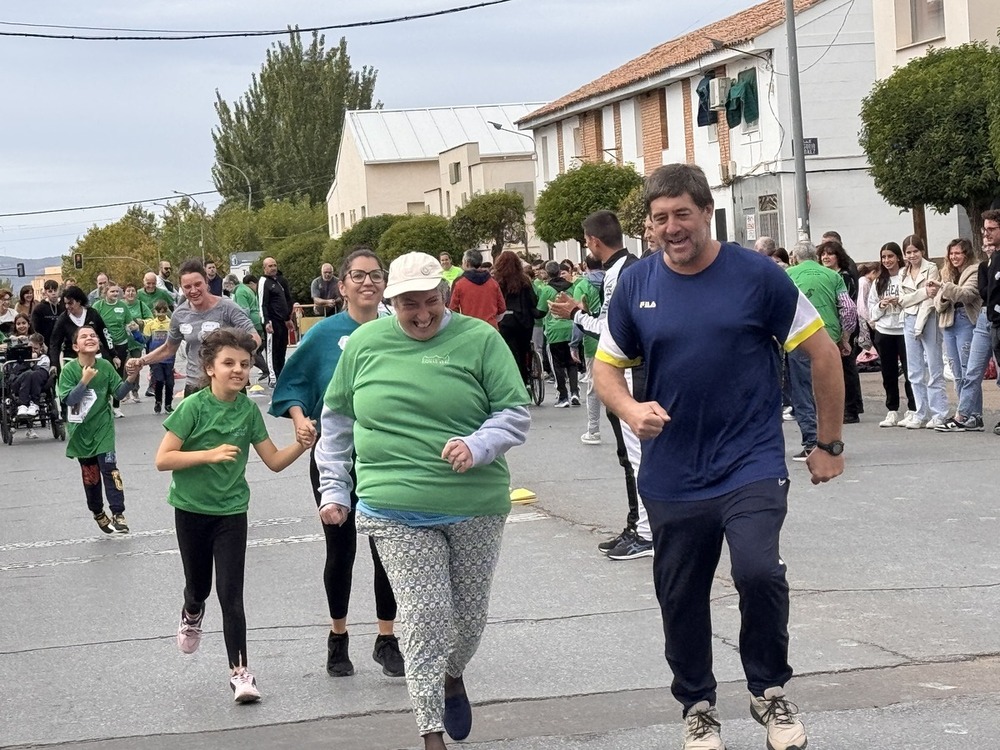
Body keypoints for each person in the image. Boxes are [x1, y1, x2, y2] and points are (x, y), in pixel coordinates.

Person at [595, 162, 843, 750]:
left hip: (749, 460)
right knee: (680, 594)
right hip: (672, 471)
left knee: (757, 571)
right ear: (648, 228)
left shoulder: (759, 276)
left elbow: (824, 354)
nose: (672, 227)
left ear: (707, 213)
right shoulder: (636, 284)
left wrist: (827, 444)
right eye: (660, 219)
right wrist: (630, 410)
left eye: (683, 214)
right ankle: (698, 705)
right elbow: (606, 370)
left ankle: (769, 691)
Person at [316, 252, 530, 750]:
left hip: (474, 501)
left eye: (430, 302)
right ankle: (430, 731)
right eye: (408, 304)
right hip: (393, 504)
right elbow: (337, 422)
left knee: (468, 622)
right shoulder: (365, 344)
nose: (421, 314)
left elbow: (514, 415)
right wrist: (334, 488)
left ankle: (452, 673)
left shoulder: (480, 340)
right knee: (426, 614)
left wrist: (478, 444)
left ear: (444, 296)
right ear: (390, 301)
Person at [154, 328, 313, 704]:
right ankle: (191, 611)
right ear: (210, 368)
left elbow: (273, 462)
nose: (238, 370)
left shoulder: (247, 411)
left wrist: (302, 446)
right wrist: (208, 454)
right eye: (229, 364)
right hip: (191, 510)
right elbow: (163, 459)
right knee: (200, 588)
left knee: (231, 595)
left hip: (231, 512)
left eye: (244, 364)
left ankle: (240, 674)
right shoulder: (192, 407)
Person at [270, 248, 404, 679]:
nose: (368, 282)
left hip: (386, 457)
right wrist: (299, 419)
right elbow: (292, 385)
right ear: (341, 285)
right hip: (334, 457)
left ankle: (387, 639)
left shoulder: (398, 330)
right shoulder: (324, 334)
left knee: (388, 550)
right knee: (340, 550)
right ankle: (338, 638)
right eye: (358, 276)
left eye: (375, 275)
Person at [548, 210, 653, 560]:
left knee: (636, 457)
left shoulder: (616, 274)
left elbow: (611, 333)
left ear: (593, 242)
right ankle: (637, 524)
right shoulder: (628, 268)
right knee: (630, 456)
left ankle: (646, 531)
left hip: (627, 375)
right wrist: (580, 309)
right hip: (629, 373)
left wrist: (575, 315)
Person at [127, 259, 259, 398]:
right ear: (181, 288)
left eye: (198, 284)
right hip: (195, 386)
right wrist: (141, 361)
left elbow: (254, 337)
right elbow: (169, 348)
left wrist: (241, 358)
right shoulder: (180, 314)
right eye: (188, 287)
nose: (194, 290)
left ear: (206, 283)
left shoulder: (227, 307)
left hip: (226, 385)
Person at [57, 326, 140, 534]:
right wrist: (84, 381)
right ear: (76, 346)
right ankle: (97, 511)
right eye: (84, 337)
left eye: (93, 335)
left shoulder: (104, 365)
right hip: (82, 431)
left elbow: (118, 394)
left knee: (110, 469)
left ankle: (118, 513)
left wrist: (131, 378)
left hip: (104, 428)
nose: (90, 338)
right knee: (91, 475)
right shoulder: (69, 371)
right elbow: (69, 400)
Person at [786, 240, 856, 459]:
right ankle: (832, 441)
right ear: (816, 257)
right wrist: (845, 337)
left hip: (799, 337)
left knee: (802, 390)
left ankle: (810, 442)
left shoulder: (789, 275)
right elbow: (848, 309)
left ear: (795, 257)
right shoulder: (833, 276)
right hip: (829, 336)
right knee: (827, 390)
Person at [926, 238, 981, 432]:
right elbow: (938, 304)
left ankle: (974, 415)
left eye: (958, 253)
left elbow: (967, 294)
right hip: (948, 322)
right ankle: (963, 412)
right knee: (956, 372)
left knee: (969, 370)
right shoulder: (946, 273)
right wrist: (941, 292)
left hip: (967, 320)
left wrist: (943, 288)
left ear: (966, 254)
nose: (954, 257)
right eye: (951, 253)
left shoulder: (975, 270)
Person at [897, 235, 947, 429]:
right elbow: (903, 300)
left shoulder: (931, 268)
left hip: (928, 317)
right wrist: (923, 293)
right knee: (914, 370)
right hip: (908, 318)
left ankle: (939, 413)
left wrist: (921, 296)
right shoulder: (902, 273)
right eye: (908, 252)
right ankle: (920, 412)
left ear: (922, 251)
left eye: (915, 251)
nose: (912, 255)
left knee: (934, 367)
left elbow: (931, 295)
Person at [868, 242, 917, 427]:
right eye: (884, 257)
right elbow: (871, 308)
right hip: (884, 330)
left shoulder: (906, 278)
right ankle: (892, 410)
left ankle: (913, 408)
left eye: (890, 256)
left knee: (910, 371)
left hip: (904, 329)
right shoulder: (879, 281)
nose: (887, 260)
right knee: (888, 373)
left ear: (898, 257)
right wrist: (882, 305)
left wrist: (900, 302)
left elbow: (914, 300)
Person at [819, 239, 864, 422]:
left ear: (838, 257)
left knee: (847, 367)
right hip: (831, 326)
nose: (826, 257)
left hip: (846, 326)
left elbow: (848, 306)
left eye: (830, 253)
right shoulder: (825, 276)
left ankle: (851, 409)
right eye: (823, 254)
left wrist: (845, 332)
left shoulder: (844, 276)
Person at [492, 250, 540, 385]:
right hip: (524, 321)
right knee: (523, 350)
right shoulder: (524, 280)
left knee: (510, 352)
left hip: (505, 320)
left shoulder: (496, 280)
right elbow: (532, 300)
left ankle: (514, 381)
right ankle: (526, 378)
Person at [572, 255, 604, 444]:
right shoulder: (614, 279)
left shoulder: (582, 286)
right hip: (615, 339)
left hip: (592, 340)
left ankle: (593, 430)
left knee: (593, 386)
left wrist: (574, 344)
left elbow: (578, 316)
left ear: (585, 266)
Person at [536, 261, 577, 407]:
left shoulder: (547, 290)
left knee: (557, 365)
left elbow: (540, 312)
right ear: (560, 272)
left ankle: (563, 396)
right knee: (572, 362)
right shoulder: (571, 287)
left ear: (547, 273)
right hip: (571, 328)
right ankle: (575, 392)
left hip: (554, 331)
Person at [91, 282, 133, 418]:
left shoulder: (122, 306)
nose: (115, 294)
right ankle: (103, 405)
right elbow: (92, 323)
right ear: (105, 293)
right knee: (104, 374)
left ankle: (116, 406)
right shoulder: (98, 306)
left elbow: (129, 322)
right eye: (112, 292)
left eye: (116, 292)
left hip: (121, 343)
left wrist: (134, 326)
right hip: (104, 345)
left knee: (118, 374)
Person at [49, 285, 114, 367]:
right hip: (72, 358)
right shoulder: (63, 319)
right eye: (65, 303)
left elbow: (104, 334)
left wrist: (113, 354)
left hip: (94, 357)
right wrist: (54, 364)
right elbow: (55, 343)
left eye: (70, 303)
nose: (67, 307)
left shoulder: (92, 314)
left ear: (79, 301)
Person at [447, 249, 506, 328]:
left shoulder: (459, 284)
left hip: (470, 328)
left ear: (467, 263)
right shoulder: (493, 283)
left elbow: (453, 310)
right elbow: (502, 308)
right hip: (491, 329)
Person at [258, 256, 293, 383]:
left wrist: (288, 318)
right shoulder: (264, 282)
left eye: (274, 265)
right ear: (264, 268)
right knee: (272, 350)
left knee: (281, 349)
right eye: (270, 266)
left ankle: (281, 374)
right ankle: (273, 377)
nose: (273, 268)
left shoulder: (280, 281)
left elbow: (287, 299)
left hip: (282, 320)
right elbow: (262, 303)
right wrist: (266, 321)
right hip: (272, 321)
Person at [11, 333, 51, 439]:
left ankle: (32, 404)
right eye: (31, 348)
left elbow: (42, 372)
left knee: (35, 374)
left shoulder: (44, 358)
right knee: (28, 373)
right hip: (20, 382)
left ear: (41, 348)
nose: (33, 350)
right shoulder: (20, 357)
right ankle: (24, 405)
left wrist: (33, 362)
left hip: (37, 382)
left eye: (36, 348)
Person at [232, 274, 269, 385]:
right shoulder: (249, 291)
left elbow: (244, 310)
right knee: (258, 347)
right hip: (258, 320)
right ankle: (264, 369)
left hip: (250, 323)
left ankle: (265, 369)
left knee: (250, 349)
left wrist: (242, 326)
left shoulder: (240, 291)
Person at [143, 301, 175, 414]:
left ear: (166, 312)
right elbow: (144, 340)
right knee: (159, 380)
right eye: (158, 312)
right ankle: (158, 401)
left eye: (163, 312)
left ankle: (168, 404)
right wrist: (135, 333)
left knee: (170, 382)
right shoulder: (151, 324)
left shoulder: (171, 323)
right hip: (155, 357)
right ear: (155, 312)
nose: (161, 315)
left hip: (169, 357)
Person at [31, 279, 64, 350]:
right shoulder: (39, 308)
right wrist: (41, 343)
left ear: (59, 291)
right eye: (50, 291)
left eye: (55, 290)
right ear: (45, 293)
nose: (53, 293)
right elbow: (36, 328)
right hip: (46, 344)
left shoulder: (64, 306)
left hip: (62, 343)